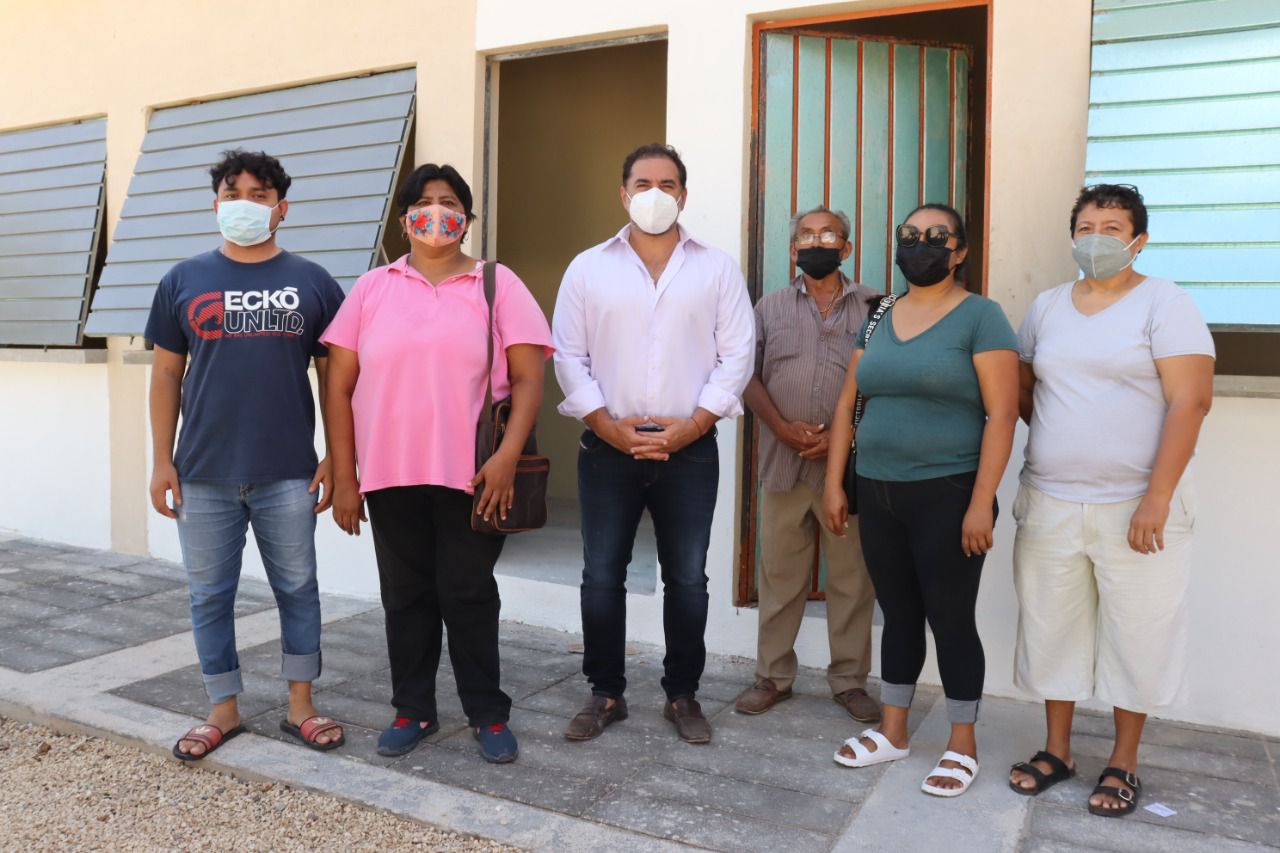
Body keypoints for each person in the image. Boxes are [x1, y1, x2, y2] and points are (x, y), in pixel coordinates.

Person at [321, 164, 552, 764]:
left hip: (474, 473)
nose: (436, 212)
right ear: (404, 220)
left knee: (468, 593)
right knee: (405, 596)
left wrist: (506, 458)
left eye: (449, 202)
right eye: (423, 202)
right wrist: (345, 475)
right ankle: (413, 709)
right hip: (389, 472)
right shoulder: (372, 289)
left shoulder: (496, 284)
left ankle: (487, 713)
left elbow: (529, 380)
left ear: (466, 219)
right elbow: (338, 387)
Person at [1007, 184, 1214, 817]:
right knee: (1052, 628)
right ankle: (1058, 751)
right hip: (1050, 500)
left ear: (1139, 240)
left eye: (1113, 227)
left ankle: (1123, 762)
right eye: (1087, 226)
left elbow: (1191, 400)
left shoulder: (1165, 303)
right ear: (1072, 235)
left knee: (1138, 634)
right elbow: (1025, 391)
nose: (1097, 237)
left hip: (1137, 506)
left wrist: (1157, 496)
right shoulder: (1046, 307)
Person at [146, 149, 347, 761]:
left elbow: (336, 380)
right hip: (201, 471)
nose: (244, 205)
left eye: (259, 195)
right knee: (209, 595)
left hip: (288, 470)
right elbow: (165, 376)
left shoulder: (314, 282)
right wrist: (161, 460)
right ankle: (223, 709)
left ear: (282, 208)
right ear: (216, 205)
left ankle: (300, 705)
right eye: (232, 194)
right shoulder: (182, 280)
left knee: (298, 587)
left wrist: (337, 457)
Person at [552, 143, 755, 744]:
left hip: (689, 449)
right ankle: (605, 692)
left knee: (688, 579)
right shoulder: (588, 268)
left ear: (683, 196)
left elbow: (737, 354)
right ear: (624, 194)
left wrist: (693, 424)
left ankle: (682, 695)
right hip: (606, 448)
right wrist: (606, 426)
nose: (655, 194)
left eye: (668, 184)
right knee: (601, 576)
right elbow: (568, 355)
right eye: (643, 184)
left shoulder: (716, 268)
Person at [821, 203, 1019, 797]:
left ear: (960, 251)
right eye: (909, 235)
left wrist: (982, 501)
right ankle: (894, 731)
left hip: (949, 491)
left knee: (951, 617)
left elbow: (1003, 414)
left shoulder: (982, 317)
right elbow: (848, 402)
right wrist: (835, 481)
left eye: (937, 236)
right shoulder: (881, 313)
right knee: (898, 613)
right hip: (878, 488)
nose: (920, 244)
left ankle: (963, 743)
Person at [734, 206, 881, 724]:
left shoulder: (876, 307)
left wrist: (844, 436)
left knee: (852, 580)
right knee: (779, 577)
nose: (816, 243)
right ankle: (772, 677)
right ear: (793, 249)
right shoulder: (769, 307)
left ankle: (850, 682)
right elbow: (745, 375)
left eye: (828, 234)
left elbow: (885, 381)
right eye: (806, 236)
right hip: (783, 463)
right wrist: (780, 427)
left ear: (846, 247)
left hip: (848, 471)